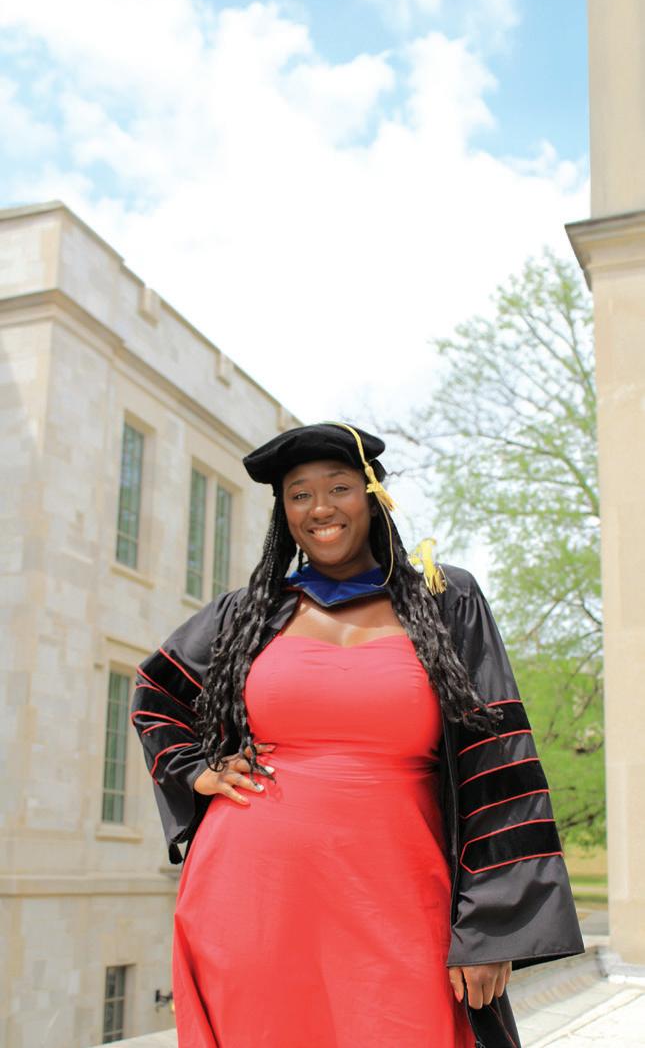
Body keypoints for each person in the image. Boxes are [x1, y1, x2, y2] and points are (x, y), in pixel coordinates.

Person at [131, 422, 584, 1048]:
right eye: (299, 494)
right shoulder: (250, 612)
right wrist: (195, 770)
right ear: (283, 511)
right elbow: (155, 692)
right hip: (250, 898)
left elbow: (498, 757)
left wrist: (491, 927)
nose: (320, 508)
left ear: (372, 497)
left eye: (339, 487)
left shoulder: (443, 600)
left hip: (402, 898)